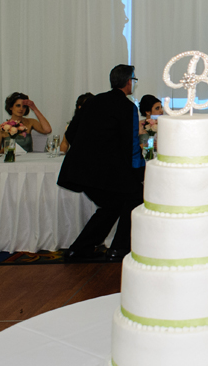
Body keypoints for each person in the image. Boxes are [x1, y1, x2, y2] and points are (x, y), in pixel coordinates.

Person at [58, 65, 145, 262]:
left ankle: (79, 249)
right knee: (135, 198)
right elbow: (131, 144)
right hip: (107, 171)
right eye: (134, 80)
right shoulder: (127, 107)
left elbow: (70, 133)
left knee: (112, 205)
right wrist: (140, 172)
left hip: (80, 169)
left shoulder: (92, 102)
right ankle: (119, 249)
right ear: (128, 81)